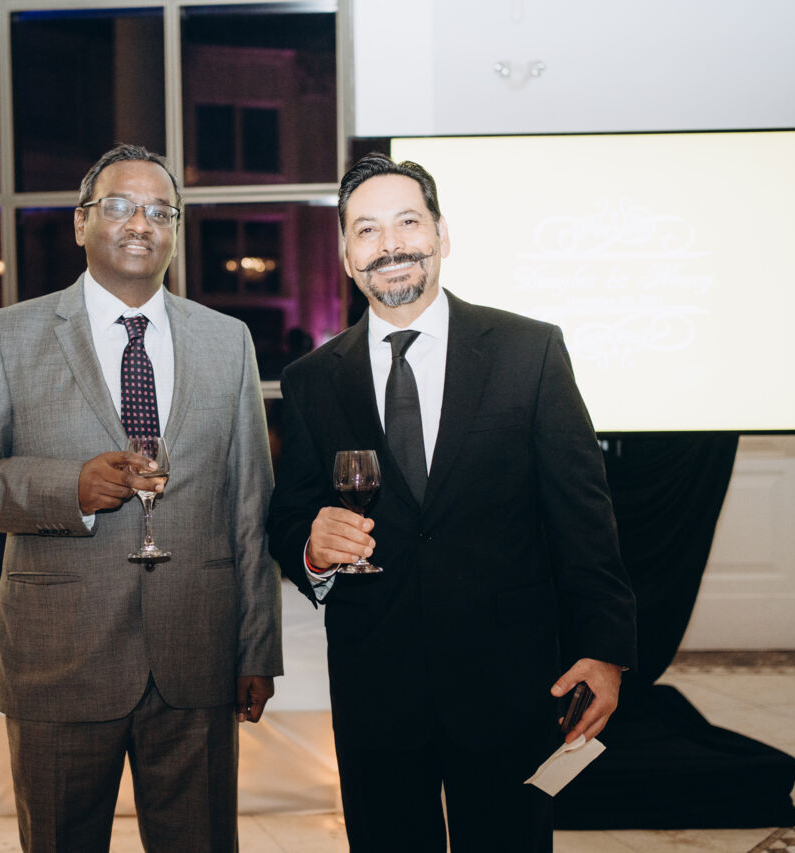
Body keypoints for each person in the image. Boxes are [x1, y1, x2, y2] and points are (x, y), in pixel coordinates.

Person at [265, 154, 637, 852]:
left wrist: (604, 650)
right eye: (367, 230)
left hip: (512, 686)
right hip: (375, 690)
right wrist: (311, 546)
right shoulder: (313, 379)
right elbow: (288, 518)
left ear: (441, 234)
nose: (391, 244)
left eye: (408, 222)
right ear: (346, 256)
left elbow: (583, 514)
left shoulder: (529, 351)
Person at [0, 143, 282, 853]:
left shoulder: (228, 341)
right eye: (119, 205)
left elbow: (251, 508)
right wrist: (70, 489)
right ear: (80, 222)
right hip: (60, 660)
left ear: (175, 229)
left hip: (198, 658)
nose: (141, 222)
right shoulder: (9, 335)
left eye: (160, 210)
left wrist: (256, 647)